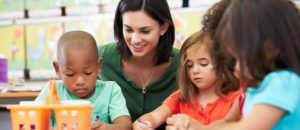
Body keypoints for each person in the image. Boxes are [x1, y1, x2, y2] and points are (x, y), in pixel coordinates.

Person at [167, 0, 300, 130]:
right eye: (232, 59)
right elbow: (227, 121)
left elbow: (247, 127)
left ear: (270, 47)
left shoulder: (283, 82)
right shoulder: (251, 87)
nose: (235, 67)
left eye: (239, 59)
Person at [132, 31, 240, 130]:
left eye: (203, 64)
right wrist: (143, 124)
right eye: (189, 65)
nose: (195, 70)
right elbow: (153, 117)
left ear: (223, 63)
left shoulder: (237, 98)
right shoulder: (181, 96)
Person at [98, 0, 180, 125]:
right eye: (129, 30)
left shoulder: (185, 62)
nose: (135, 40)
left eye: (145, 31)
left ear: (163, 27)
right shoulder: (100, 58)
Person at [35, 31, 132, 130]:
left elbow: (126, 125)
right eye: (70, 74)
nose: (80, 81)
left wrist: (107, 128)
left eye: (88, 73)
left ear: (99, 66)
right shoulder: (52, 90)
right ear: (57, 69)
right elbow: (33, 119)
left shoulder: (110, 90)